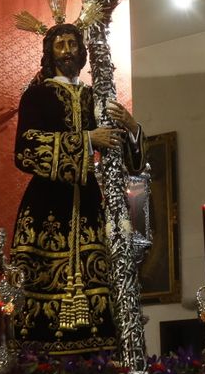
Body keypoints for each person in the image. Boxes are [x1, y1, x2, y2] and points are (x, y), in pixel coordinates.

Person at [10, 22, 142, 355]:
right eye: (60, 45)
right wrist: (85, 141)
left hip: (89, 205)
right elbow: (25, 149)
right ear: (49, 53)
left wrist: (132, 129)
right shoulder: (36, 96)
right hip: (45, 207)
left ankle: (100, 366)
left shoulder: (96, 98)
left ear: (82, 51)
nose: (68, 51)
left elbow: (127, 163)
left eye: (72, 44)